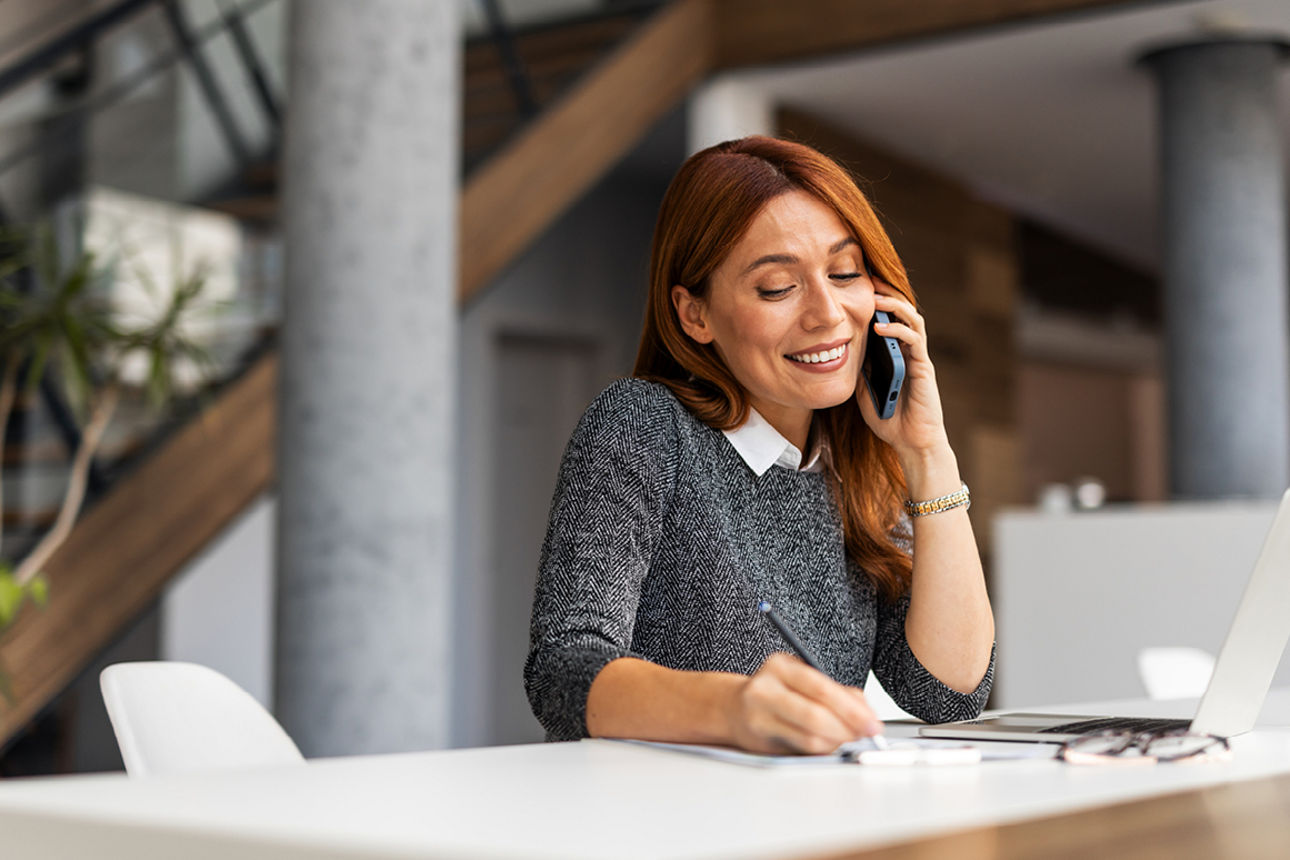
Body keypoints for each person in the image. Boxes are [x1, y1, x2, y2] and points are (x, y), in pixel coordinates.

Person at [524, 135, 995, 754]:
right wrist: (732, 707)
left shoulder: (854, 459)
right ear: (695, 315)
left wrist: (929, 456)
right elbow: (562, 672)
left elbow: (948, 693)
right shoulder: (643, 425)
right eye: (777, 287)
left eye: (845, 272)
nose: (828, 313)